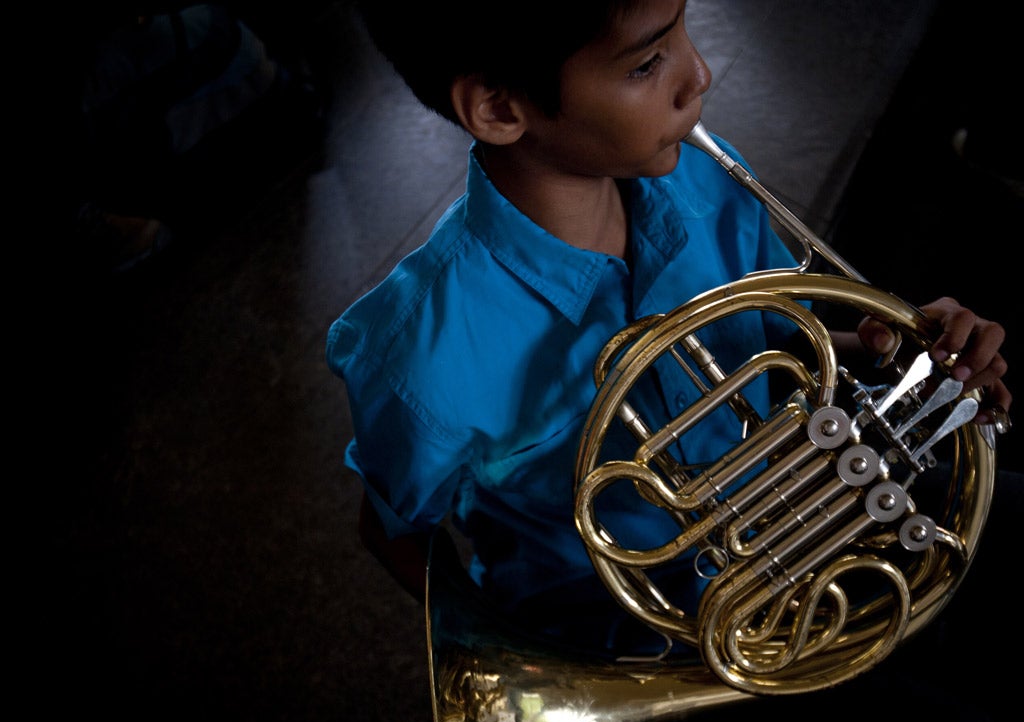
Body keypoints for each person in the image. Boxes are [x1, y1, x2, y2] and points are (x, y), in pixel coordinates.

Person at [326, 0, 1012, 659]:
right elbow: (388, 531)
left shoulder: (705, 184)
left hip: (797, 537)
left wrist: (918, 367)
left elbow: (774, 347)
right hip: (620, 641)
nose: (699, 74)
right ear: (501, 108)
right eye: (647, 63)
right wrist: (494, 654)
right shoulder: (419, 354)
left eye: (684, 25)